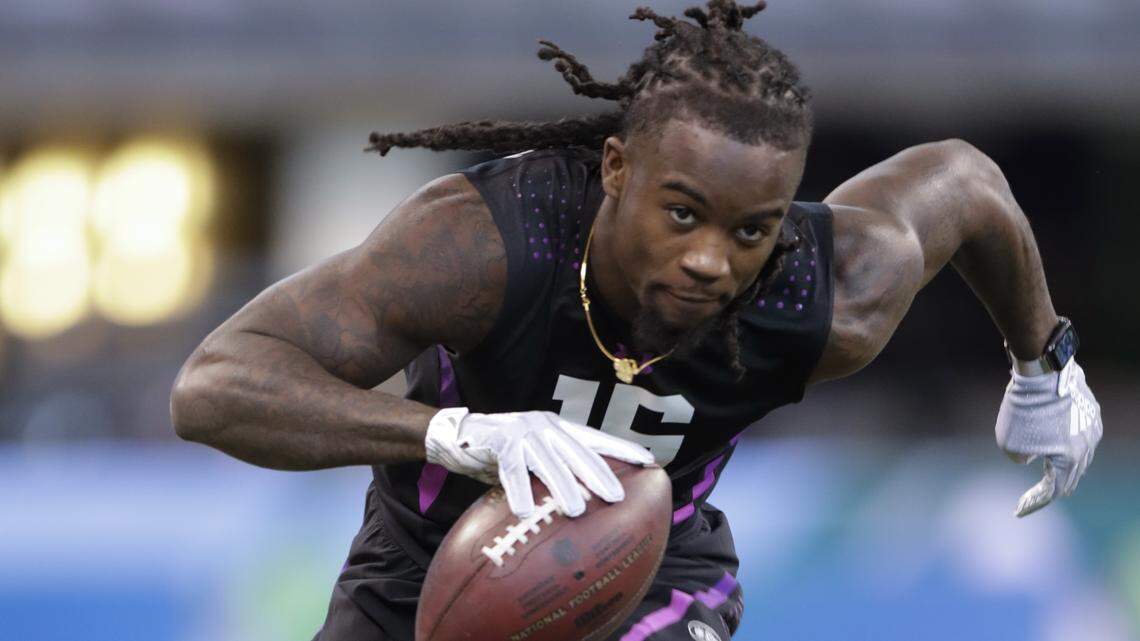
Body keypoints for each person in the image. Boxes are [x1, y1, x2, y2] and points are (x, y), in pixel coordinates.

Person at [169, 1, 1103, 639]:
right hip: (422, 565)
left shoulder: (824, 296)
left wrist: (1045, 362)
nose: (710, 259)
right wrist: (453, 434)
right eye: (683, 213)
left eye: (751, 229)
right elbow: (213, 387)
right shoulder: (492, 246)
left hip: (655, 566)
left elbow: (969, 185)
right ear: (616, 169)